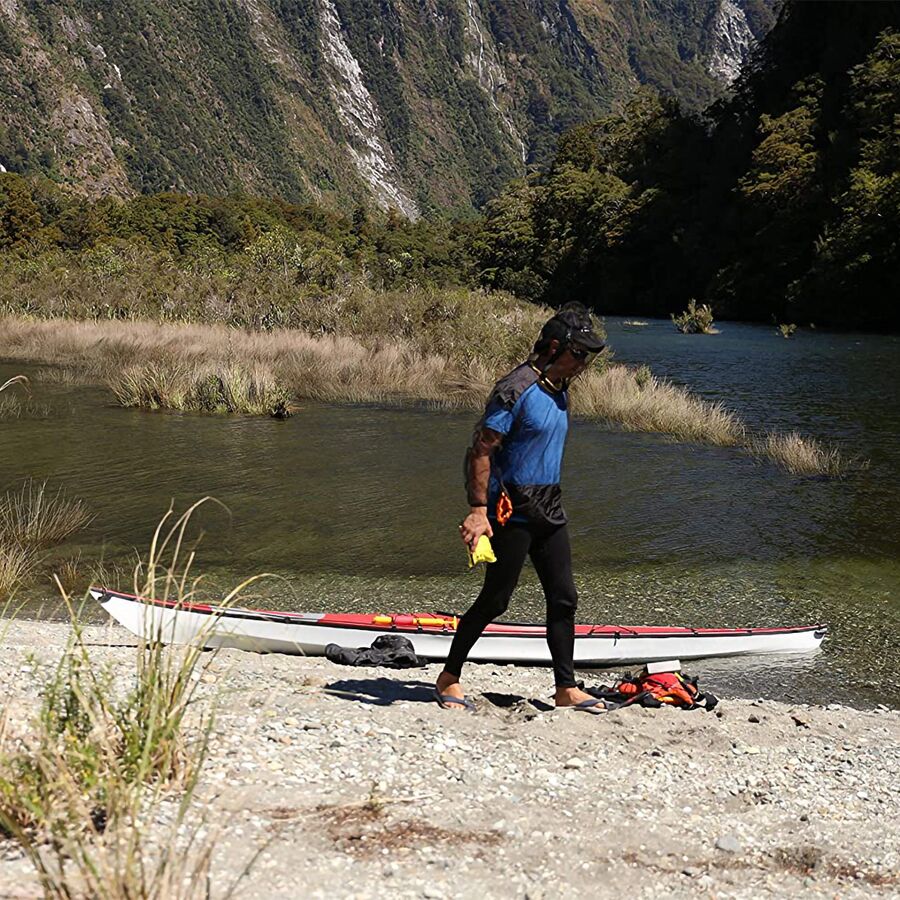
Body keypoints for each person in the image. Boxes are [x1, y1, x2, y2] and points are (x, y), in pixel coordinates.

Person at [434, 302, 606, 712]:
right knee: (496, 601)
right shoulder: (515, 389)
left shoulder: (559, 388)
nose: (583, 363)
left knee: (564, 598)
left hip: (549, 506)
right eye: (577, 353)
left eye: (587, 356)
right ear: (552, 347)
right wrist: (478, 509)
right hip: (511, 511)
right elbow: (480, 450)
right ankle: (449, 676)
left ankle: (565, 687)